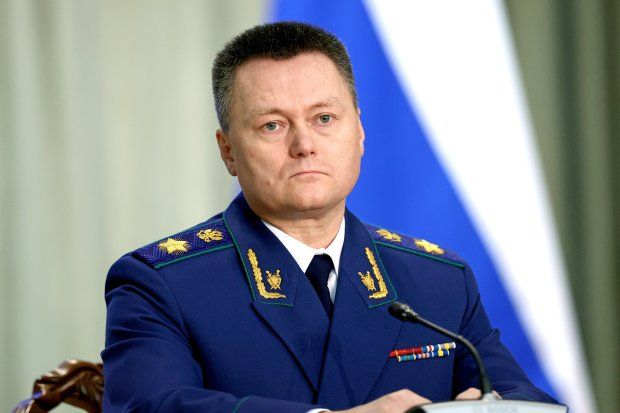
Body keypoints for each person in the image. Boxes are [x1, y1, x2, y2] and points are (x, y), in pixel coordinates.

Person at [102, 21, 557, 412]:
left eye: (323, 118)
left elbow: (524, 396)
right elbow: (150, 406)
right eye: (272, 125)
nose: (304, 145)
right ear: (228, 152)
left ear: (359, 130)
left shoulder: (438, 280)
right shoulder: (162, 284)